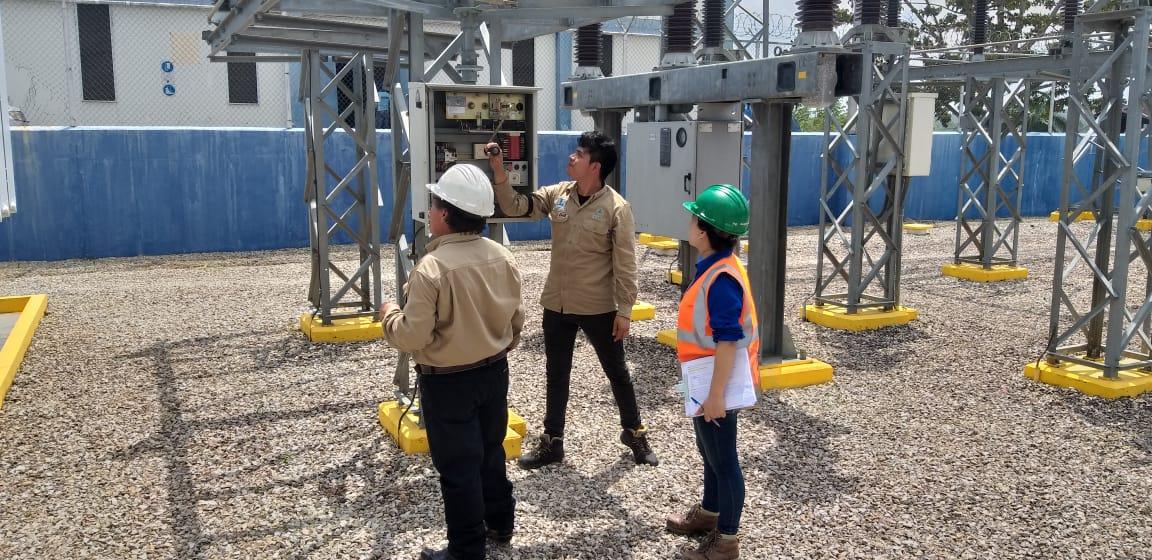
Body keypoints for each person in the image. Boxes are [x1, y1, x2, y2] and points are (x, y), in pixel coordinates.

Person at [485, 131, 658, 468]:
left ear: (595, 166)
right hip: (557, 303)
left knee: (617, 372)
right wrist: (500, 171)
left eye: (579, 154)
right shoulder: (558, 195)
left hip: (598, 307)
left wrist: (625, 310)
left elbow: (626, 264)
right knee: (556, 373)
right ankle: (553, 441)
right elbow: (516, 207)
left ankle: (634, 432)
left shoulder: (616, 208)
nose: (572, 157)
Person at [380, 164, 525, 560]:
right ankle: (501, 523)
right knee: (491, 451)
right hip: (494, 372)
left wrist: (389, 316)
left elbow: (412, 336)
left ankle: (466, 550)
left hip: (448, 383)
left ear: (444, 213)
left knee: (459, 467)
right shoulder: (502, 257)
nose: (430, 211)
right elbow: (516, 322)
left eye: (434, 204)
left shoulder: (431, 269)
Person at [664, 184, 758, 560]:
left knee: (724, 461)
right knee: (709, 451)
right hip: (704, 376)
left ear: (703, 231)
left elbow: (727, 339)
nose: (689, 223)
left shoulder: (720, 279)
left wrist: (716, 396)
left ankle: (726, 542)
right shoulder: (717, 267)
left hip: (716, 382)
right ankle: (709, 513)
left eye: (693, 219)